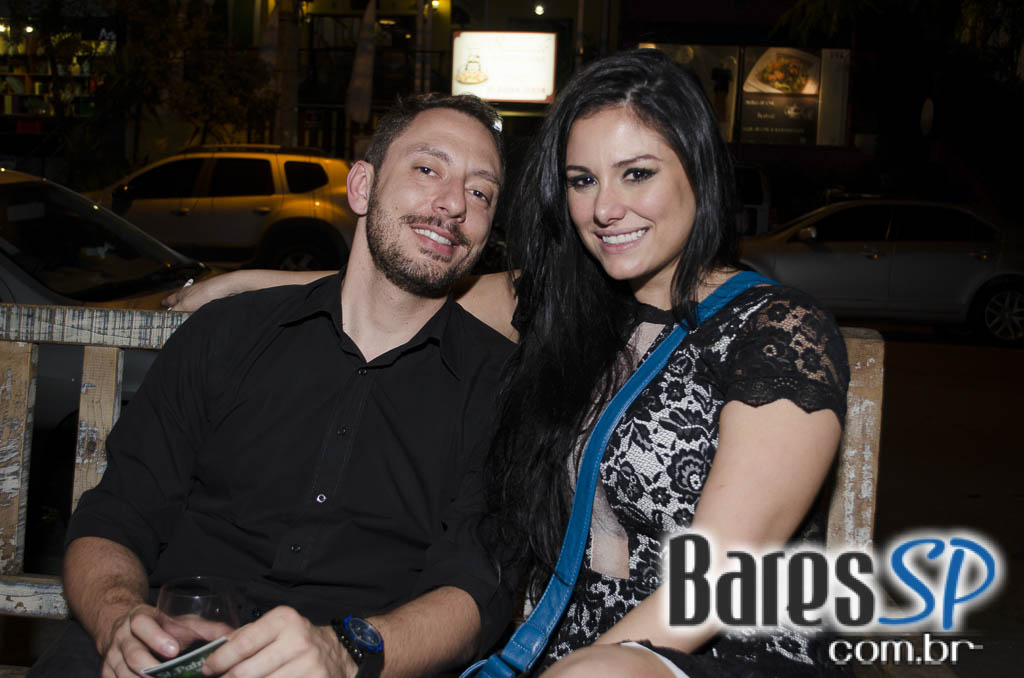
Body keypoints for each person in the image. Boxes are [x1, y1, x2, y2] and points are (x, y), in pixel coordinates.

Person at [167, 50, 851, 678]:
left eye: (637, 173)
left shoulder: (775, 331)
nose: (605, 208)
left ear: (696, 170)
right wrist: (250, 282)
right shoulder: (563, 308)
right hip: (559, 653)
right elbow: (403, 280)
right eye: (583, 180)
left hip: (713, 654)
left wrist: (584, 667)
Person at [34, 93, 515, 678]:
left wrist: (345, 652)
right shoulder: (227, 335)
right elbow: (115, 515)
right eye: (428, 169)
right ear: (362, 187)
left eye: (480, 193)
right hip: (168, 646)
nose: (454, 204)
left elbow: (477, 589)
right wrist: (118, 621)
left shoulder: (501, 389)